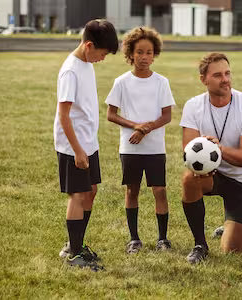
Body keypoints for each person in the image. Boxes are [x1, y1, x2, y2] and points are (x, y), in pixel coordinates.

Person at [179, 52, 242, 264]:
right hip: (212, 175)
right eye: (217, 75)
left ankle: (232, 227)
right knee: (189, 178)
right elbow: (188, 150)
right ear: (203, 79)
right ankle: (200, 244)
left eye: (227, 73)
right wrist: (205, 163)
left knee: (232, 250)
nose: (225, 79)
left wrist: (217, 149)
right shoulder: (193, 105)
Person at [54, 19, 119, 270]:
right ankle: (73, 255)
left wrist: (88, 145)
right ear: (89, 45)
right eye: (102, 54)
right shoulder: (71, 70)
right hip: (74, 146)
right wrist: (78, 150)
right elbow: (64, 115)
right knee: (79, 195)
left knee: (91, 191)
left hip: (88, 143)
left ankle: (76, 245)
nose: (102, 59)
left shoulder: (86, 63)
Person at [106, 27, 175, 254]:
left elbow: (167, 115)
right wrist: (135, 126)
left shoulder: (161, 82)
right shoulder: (122, 82)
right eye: (140, 52)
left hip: (155, 148)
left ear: (154, 54)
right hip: (130, 147)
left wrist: (146, 130)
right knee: (131, 191)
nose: (144, 57)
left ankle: (162, 239)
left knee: (159, 191)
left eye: (149, 52)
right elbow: (111, 114)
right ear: (130, 54)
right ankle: (134, 239)